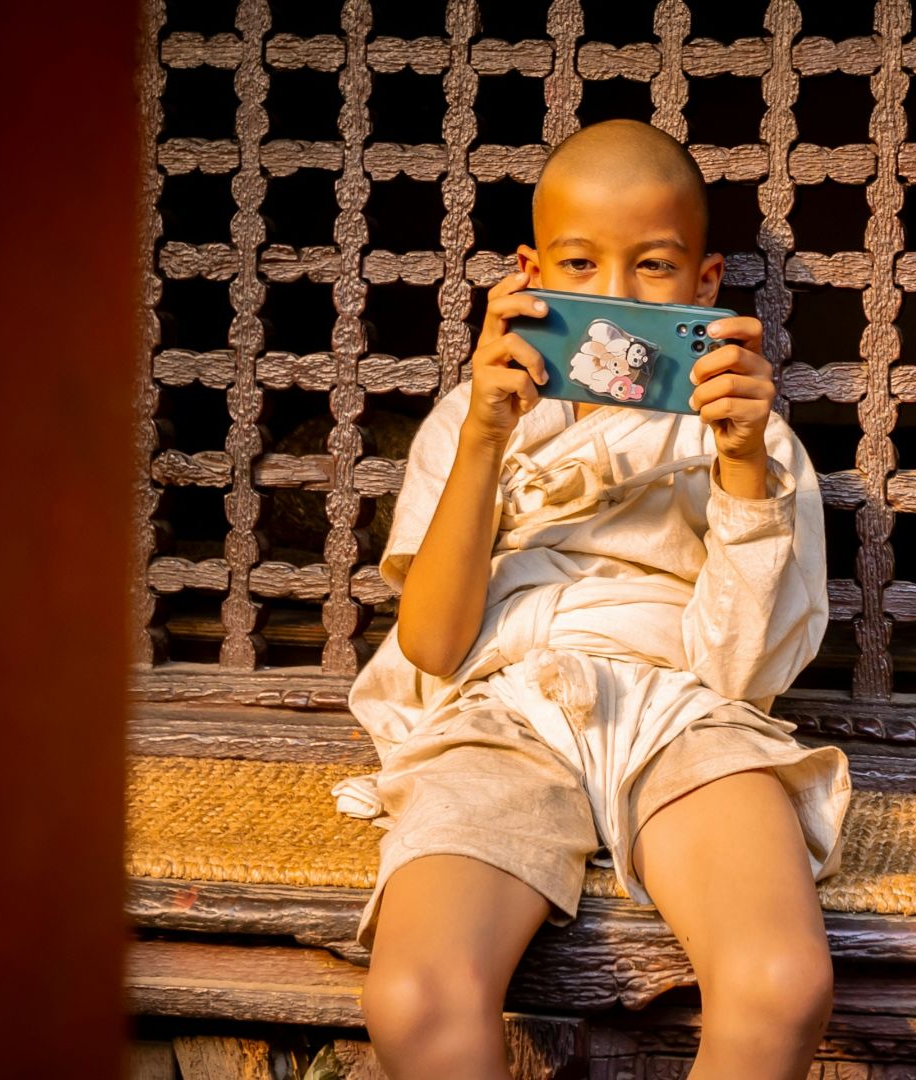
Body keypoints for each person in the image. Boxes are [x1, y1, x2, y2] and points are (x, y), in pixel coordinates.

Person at [335, 119, 852, 1079]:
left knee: (781, 979)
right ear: (530, 274)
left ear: (705, 284)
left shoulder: (745, 436)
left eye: (653, 266)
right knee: (415, 996)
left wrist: (740, 466)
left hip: (679, 712)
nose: (614, 297)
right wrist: (488, 437)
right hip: (503, 709)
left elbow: (740, 675)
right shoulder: (473, 418)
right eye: (580, 262)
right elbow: (436, 646)